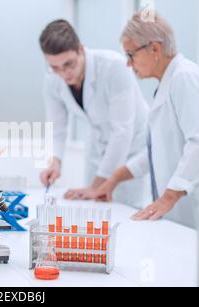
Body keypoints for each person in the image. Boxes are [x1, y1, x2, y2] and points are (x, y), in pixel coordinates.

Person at [93, 11, 199, 228]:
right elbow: (156, 151)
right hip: (184, 211)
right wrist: (115, 178)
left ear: (154, 49)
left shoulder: (185, 77)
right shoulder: (168, 83)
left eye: (130, 55)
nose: (128, 64)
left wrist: (168, 197)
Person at [39, 20, 148, 207]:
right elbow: (57, 128)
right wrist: (55, 161)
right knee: (93, 209)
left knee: (127, 214)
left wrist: (97, 185)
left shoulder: (115, 67)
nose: (64, 74)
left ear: (80, 49)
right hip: (97, 151)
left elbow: (122, 131)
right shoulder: (52, 79)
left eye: (69, 64)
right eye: (55, 67)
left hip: (132, 150)